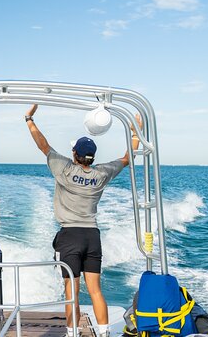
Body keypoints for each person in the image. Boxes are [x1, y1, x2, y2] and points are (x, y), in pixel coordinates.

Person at [25, 104, 142, 337]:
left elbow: (43, 145)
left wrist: (29, 119)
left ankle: (72, 333)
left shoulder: (64, 169)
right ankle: (104, 332)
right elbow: (128, 158)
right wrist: (135, 132)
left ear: (74, 155)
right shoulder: (102, 173)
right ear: (92, 157)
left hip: (70, 236)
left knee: (72, 291)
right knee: (95, 290)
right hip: (92, 236)